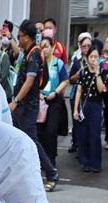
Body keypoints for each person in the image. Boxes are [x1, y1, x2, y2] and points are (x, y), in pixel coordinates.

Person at [10, 19, 59, 193]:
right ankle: (20, 174)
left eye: (19, 36)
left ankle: (52, 173)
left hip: (27, 106)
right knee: (18, 138)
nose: (18, 39)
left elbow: (30, 81)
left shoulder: (35, 54)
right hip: (23, 105)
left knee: (31, 140)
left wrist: (15, 102)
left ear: (26, 37)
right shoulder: (28, 51)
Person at [37, 36, 69, 169]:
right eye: (41, 46)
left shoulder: (58, 63)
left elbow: (65, 80)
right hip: (40, 100)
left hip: (54, 100)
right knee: (40, 131)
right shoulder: (38, 63)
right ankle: (42, 161)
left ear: (52, 47)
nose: (44, 49)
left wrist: (55, 92)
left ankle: (51, 160)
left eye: (46, 46)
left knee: (51, 130)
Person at [73, 46, 105, 173]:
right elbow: (79, 91)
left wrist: (97, 73)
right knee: (83, 134)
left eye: (96, 57)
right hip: (84, 106)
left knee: (95, 134)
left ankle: (96, 163)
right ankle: (85, 161)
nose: (93, 59)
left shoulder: (102, 71)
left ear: (99, 58)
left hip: (96, 105)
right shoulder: (83, 72)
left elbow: (101, 89)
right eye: (91, 56)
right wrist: (75, 109)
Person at [68, 34, 92, 154]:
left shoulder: (95, 59)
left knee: (87, 122)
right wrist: (79, 73)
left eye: (89, 46)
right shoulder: (77, 61)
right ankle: (75, 143)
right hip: (77, 94)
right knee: (76, 120)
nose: (86, 48)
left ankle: (85, 146)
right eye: (84, 46)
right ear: (80, 47)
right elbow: (70, 79)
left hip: (91, 96)